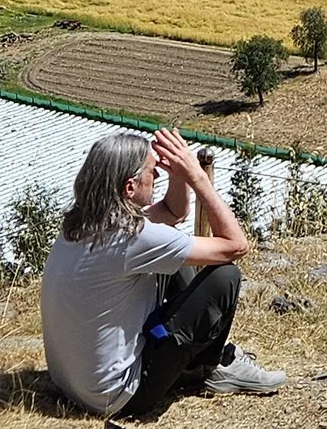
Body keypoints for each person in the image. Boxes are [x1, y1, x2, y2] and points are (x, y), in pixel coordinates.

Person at [42, 127, 287, 418]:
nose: (156, 176)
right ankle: (210, 368)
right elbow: (236, 245)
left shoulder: (84, 224)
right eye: (151, 171)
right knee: (224, 277)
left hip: (72, 385)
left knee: (173, 260)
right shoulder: (132, 238)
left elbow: (174, 213)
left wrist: (177, 173)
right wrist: (197, 178)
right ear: (129, 187)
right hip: (121, 397)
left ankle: (201, 362)